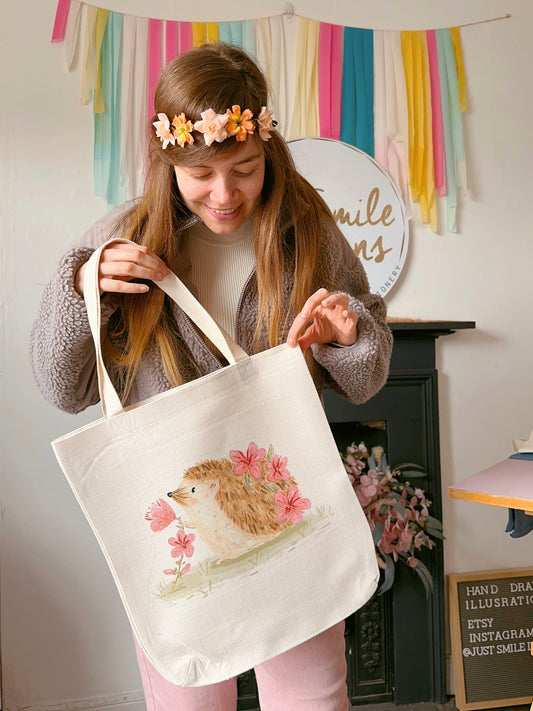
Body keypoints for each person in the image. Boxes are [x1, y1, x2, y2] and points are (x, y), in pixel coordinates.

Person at [31, 42, 392, 711]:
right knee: (189, 703)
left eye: (244, 169)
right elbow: (62, 387)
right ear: (167, 161)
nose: (223, 193)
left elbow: (365, 378)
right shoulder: (121, 240)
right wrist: (78, 288)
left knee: (313, 699)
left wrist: (348, 335)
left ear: (268, 152)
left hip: (287, 514)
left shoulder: (305, 233)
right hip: (179, 524)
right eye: (200, 173)